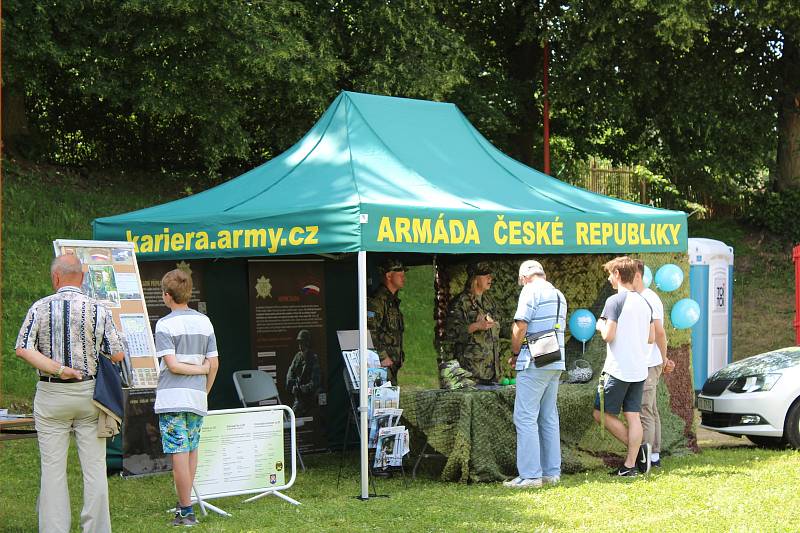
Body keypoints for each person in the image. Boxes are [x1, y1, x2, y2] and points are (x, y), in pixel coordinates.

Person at [15, 254, 124, 533]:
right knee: (95, 469)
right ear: (83, 277)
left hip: (51, 395)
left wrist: (58, 369)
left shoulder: (39, 307)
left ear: (56, 277)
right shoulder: (99, 309)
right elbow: (118, 353)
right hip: (89, 395)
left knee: (52, 471)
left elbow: (23, 348)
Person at [153, 269, 219, 527]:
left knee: (179, 453)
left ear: (167, 296)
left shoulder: (165, 324)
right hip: (196, 397)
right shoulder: (205, 322)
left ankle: (186, 510)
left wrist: (201, 370)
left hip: (172, 398)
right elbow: (214, 364)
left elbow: (173, 365)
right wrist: (204, 390)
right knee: (191, 451)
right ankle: (186, 505)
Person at [504, 260, 567, 489]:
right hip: (555, 359)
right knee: (548, 416)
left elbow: (520, 326)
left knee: (525, 417)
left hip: (534, 359)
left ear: (524, 278)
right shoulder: (558, 294)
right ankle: (552, 472)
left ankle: (530, 476)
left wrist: (515, 351)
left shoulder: (530, 291)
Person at [593, 257, 655, 477]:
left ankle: (636, 453)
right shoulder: (644, 301)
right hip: (639, 369)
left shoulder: (614, 301)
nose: (609, 278)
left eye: (610, 274)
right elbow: (651, 337)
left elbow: (608, 335)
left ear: (618, 274)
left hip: (618, 369)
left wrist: (600, 324)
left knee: (600, 414)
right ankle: (630, 465)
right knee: (633, 416)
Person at [634, 260, 676, 468]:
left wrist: (663, 358)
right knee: (651, 409)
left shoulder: (648, 298)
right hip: (652, 361)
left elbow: (659, 332)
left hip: (650, 362)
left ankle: (646, 459)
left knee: (645, 411)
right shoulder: (643, 297)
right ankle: (654, 456)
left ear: (638, 276)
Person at [445, 261, 501, 384]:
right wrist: (476, 326)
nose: (490, 278)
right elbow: (451, 334)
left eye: (490, 275)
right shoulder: (460, 303)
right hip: (471, 374)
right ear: (475, 278)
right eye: (485, 275)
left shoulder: (489, 301)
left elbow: (498, 326)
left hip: (491, 373)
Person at [367, 258, 407, 385]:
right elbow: (369, 330)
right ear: (389, 276)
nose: (403, 278)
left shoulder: (392, 301)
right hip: (381, 364)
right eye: (400, 275)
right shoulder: (378, 301)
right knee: (383, 401)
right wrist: (382, 356)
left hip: (392, 365)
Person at [285, 329, 322, 417]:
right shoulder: (297, 356)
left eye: (302, 342)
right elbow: (290, 372)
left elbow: (316, 381)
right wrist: (292, 386)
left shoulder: (313, 358)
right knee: (292, 417)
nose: (300, 345)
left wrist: (302, 388)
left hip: (310, 397)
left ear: (307, 343)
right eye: (299, 342)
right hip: (299, 396)